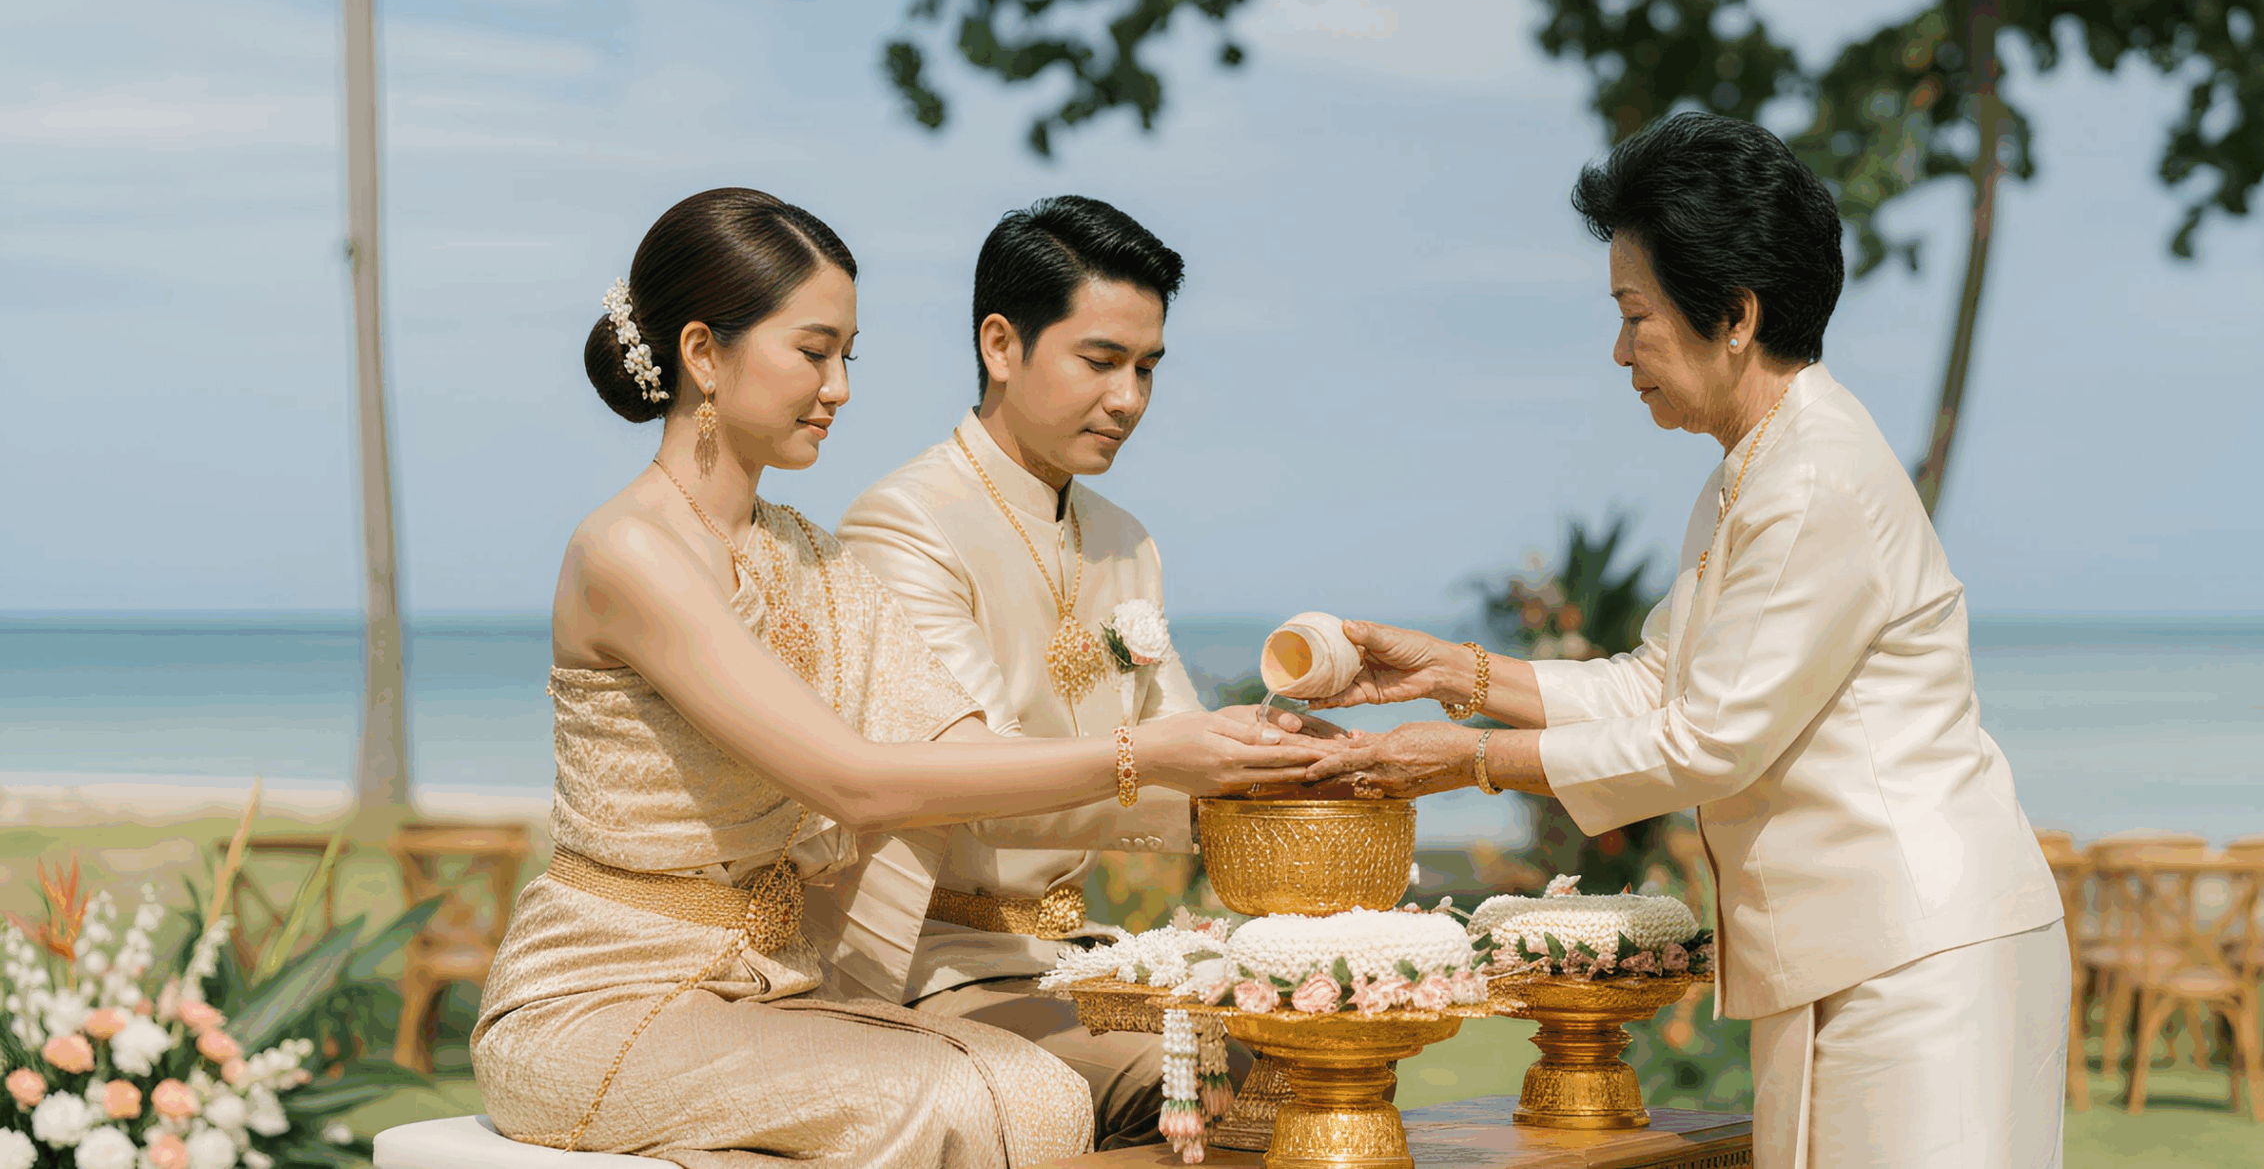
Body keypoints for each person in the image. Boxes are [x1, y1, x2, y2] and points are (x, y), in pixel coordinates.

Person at [470, 188, 1326, 1169]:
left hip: (771, 985)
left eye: (850, 356)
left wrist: (1255, 755)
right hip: (611, 998)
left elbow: (954, 746)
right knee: (983, 1099)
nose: (839, 387)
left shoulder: (809, 555)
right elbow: (855, 780)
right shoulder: (631, 549)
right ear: (703, 354)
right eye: (813, 351)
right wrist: (1144, 755)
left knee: (1048, 1091)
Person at [1303, 116, 2069, 1169]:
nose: (1621, 351)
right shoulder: (1747, 470)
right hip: (1857, 947)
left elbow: (1709, 740)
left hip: (1919, 951)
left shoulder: (1809, 479)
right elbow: (1660, 682)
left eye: (1634, 314)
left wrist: (1470, 762)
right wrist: (1460, 674)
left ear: (1737, 315)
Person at [827, 197, 1257, 1147]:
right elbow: (982, 790)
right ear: (1001, 344)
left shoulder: (1123, 540)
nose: (1130, 398)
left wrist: (1287, 770)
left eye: (1147, 368)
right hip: (931, 961)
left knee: (1302, 1047)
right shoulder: (904, 523)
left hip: (1072, 959)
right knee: (1211, 1077)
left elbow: (1186, 755)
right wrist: (1189, 762)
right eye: (1101, 362)